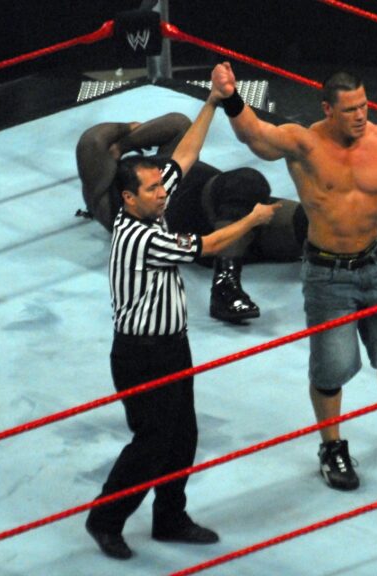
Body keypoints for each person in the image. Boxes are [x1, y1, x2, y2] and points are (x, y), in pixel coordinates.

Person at [212, 62, 377, 491]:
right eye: (350, 110)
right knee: (332, 367)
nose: (361, 116)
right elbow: (254, 134)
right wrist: (231, 96)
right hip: (328, 273)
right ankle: (332, 447)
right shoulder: (303, 143)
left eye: (364, 106)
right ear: (328, 109)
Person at [83, 76, 279, 560]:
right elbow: (207, 246)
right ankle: (105, 519)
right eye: (152, 190)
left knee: (183, 435)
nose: (162, 194)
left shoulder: (152, 205)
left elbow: (183, 158)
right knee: (151, 442)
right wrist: (252, 220)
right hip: (140, 354)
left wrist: (211, 103)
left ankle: (170, 516)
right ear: (128, 199)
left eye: (158, 188)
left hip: (173, 345)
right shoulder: (139, 235)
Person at [77, 115, 377, 324]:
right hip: (209, 218)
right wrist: (122, 140)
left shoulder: (160, 166)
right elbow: (94, 140)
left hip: (239, 209)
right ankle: (225, 286)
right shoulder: (107, 200)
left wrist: (130, 139)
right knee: (245, 181)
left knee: (315, 219)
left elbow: (178, 122)